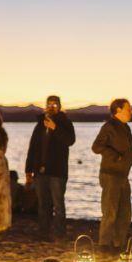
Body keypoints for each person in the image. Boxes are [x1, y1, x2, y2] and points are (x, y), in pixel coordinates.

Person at [24, 95, 76, 241]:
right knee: (42, 204)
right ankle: (43, 233)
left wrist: (55, 128)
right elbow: (32, 148)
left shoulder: (65, 123)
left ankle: (59, 234)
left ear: (60, 106)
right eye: (49, 104)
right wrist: (28, 170)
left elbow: (70, 141)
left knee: (58, 205)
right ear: (45, 106)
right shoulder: (40, 124)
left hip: (58, 173)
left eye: (55, 104)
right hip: (40, 172)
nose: (52, 107)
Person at [91, 99, 132, 253]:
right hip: (111, 174)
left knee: (125, 211)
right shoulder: (109, 127)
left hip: (123, 174)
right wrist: (115, 156)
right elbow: (96, 147)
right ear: (118, 110)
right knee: (110, 211)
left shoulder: (125, 127)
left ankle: (118, 243)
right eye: (128, 109)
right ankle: (104, 244)